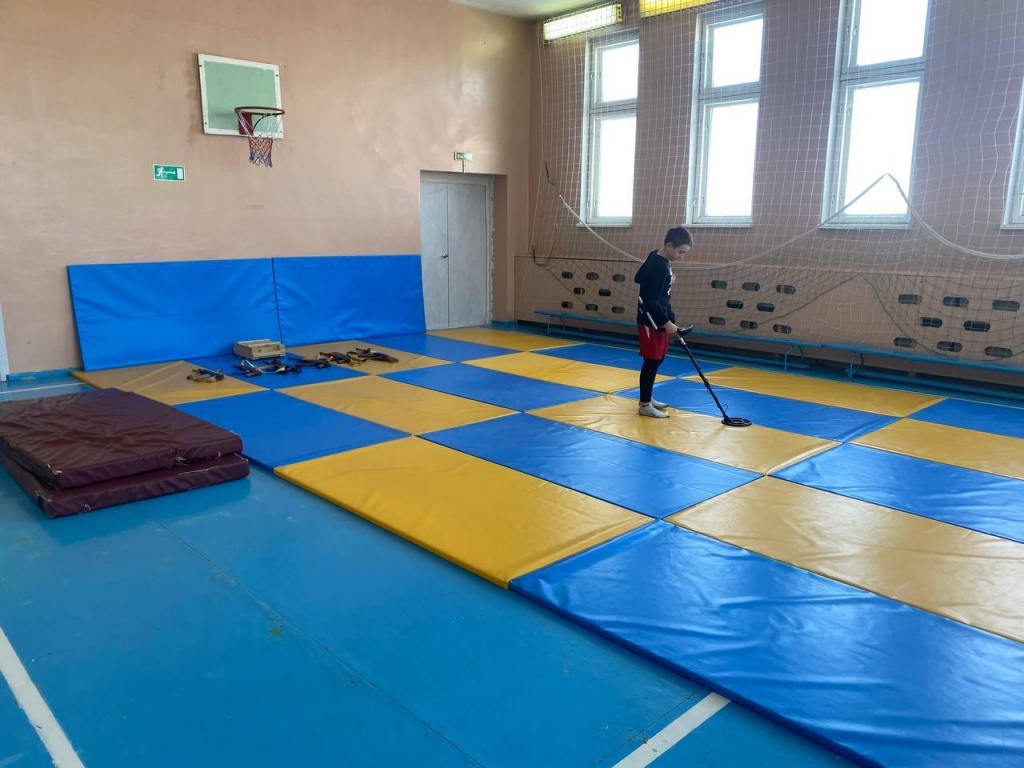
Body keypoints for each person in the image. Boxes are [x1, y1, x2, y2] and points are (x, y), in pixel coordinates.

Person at [634, 226, 693, 418]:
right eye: (680, 252)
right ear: (669, 245)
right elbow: (652, 300)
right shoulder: (659, 265)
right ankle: (644, 405)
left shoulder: (658, 257)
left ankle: (647, 398)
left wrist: (670, 318)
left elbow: (639, 278)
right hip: (651, 321)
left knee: (658, 359)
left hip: (659, 318)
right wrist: (666, 322)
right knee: (652, 361)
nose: (681, 257)